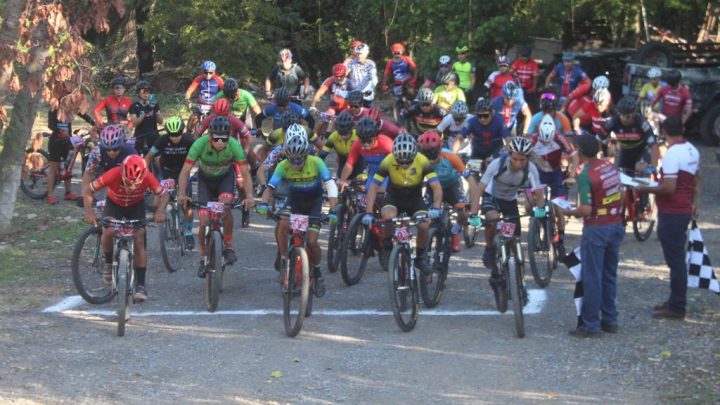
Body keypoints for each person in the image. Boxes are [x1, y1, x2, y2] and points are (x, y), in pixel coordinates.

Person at [257, 125, 338, 297]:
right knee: (283, 224)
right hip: (294, 202)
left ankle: (316, 271)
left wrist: (333, 209)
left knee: (312, 241)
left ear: (306, 154)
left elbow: (330, 185)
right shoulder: (283, 165)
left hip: (314, 204)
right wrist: (263, 203)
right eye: (292, 159)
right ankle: (285, 259)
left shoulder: (317, 162)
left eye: (299, 160)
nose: (295, 164)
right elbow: (270, 187)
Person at [634, 117, 700, 320]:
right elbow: (696, 180)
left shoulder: (673, 154)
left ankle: (677, 306)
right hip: (683, 208)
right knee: (677, 258)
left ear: (664, 131)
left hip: (672, 212)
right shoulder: (692, 149)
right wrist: (695, 203)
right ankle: (674, 300)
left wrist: (643, 188)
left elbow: (669, 188)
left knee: (676, 261)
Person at [560, 134, 624, 337]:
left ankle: (591, 324)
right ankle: (610, 319)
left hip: (596, 227)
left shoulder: (586, 175)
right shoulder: (609, 166)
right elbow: (621, 194)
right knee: (608, 274)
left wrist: (569, 212)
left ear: (579, 151)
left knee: (592, 276)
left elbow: (586, 209)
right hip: (616, 224)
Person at [82, 155, 169, 302]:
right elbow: (88, 190)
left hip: (136, 206)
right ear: (122, 173)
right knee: (108, 230)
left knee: (139, 237)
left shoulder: (148, 176)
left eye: (135, 184)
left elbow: (164, 194)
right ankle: (109, 263)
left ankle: (140, 285)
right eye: (127, 183)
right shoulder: (113, 174)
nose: (130, 187)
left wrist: (160, 211)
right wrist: (89, 212)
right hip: (114, 205)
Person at [177, 116, 255, 278]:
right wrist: (182, 194)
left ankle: (228, 246)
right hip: (204, 180)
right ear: (210, 135)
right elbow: (185, 172)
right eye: (216, 138)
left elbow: (246, 174)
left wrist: (248, 195)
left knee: (226, 207)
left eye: (224, 138)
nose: (220, 142)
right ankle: (203, 258)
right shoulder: (199, 144)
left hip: (225, 179)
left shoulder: (234, 145)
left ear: (229, 136)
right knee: (204, 220)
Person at [467, 137, 545, 294]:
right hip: (492, 196)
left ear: (528, 159)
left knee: (514, 241)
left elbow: (539, 193)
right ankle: (489, 249)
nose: (518, 164)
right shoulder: (497, 164)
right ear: (509, 155)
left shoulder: (531, 169)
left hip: (510, 200)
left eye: (522, 160)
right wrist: (474, 215)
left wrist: (540, 211)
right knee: (493, 220)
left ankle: (519, 281)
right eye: (515, 159)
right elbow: (478, 190)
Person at [364, 133, 442, 274]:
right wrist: (369, 212)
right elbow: (374, 187)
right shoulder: (388, 161)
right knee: (388, 218)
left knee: (424, 226)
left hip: (415, 200)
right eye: (401, 162)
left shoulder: (422, 160)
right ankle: (387, 244)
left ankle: (420, 257)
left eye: (408, 161)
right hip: (394, 198)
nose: (405, 165)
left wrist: (436, 206)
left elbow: (436, 186)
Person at [528, 116, 579, 255]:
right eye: (543, 140)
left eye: (548, 140)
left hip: (556, 175)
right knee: (530, 204)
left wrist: (572, 175)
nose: (545, 143)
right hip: (538, 174)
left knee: (559, 210)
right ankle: (538, 223)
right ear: (538, 133)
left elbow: (575, 157)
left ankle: (560, 240)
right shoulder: (532, 139)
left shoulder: (559, 137)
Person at [144, 116, 196, 249]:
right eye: (171, 135)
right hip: (166, 172)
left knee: (187, 204)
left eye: (178, 134)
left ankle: (189, 232)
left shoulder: (189, 140)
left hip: (183, 172)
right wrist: (147, 176)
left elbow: (200, 155)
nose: (175, 137)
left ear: (182, 132)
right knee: (157, 203)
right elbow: (148, 157)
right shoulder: (162, 140)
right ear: (167, 134)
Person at [417, 130, 467, 252]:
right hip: (432, 188)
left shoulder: (450, 156)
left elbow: (468, 177)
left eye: (433, 154)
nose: (430, 159)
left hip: (452, 186)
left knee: (463, 212)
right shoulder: (418, 160)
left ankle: (455, 231)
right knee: (425, 217)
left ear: (440, 149)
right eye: (426, 155)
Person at [46, 108, 96, 204]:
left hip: (68, 142)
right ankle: (50, 195)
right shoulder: (54, 107)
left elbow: (82, 114)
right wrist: (59, 131)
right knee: (53, 168)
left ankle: (68, 193)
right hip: (56, 141)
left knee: (68, 167)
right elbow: (50, 124)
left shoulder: (70, 106)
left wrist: (94, 123)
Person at [604, 97, 658, 176]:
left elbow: (654, 144)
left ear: (634, 114)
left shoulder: (641, 122)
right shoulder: (613, 121)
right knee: (617, 173)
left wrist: (654, 166)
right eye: (621, 115)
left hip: (641, 151)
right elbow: (599, 138)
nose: (624, 119)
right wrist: (601, 155)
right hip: (625, 151)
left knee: (639, 168)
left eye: (627, 116)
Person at [337, 117, 394, 191]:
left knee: (380, 193)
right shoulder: (357, 145)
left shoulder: (386, 144)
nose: (366, 144)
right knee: (366, 195)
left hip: (389, 172)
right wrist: (343, 180)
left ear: (375, 137)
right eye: (363, 141)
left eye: (369, 141)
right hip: (373, 173)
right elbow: (349, 164)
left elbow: (397, 164)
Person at [82, 125, 138, 196]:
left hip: (125, 177)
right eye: (107, 149)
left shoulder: (130, 152)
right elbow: (88, 173)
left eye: (115, 149)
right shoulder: (97, 151)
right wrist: (84, 195)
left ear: (121, 145)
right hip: (106, 174)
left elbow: (137, 177)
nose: (111, 152)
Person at [453, 98, 508, 164]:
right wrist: (453, 154)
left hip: (495, 152)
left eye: (485, 116)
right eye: (479, 116)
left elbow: (508, 139)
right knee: (472, 172)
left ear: (492, 113)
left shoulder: (499, 122)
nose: (482, 119)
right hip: (477, 153)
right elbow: (459, 137)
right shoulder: (472, 122)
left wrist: (506, 153)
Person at [309, 63, 352, 137]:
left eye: (341, 76)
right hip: (333, 107)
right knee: (322, 122)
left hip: (346, 109)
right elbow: (319, 93)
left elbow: (355, 98)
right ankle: (314, 141)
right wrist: (313, 106)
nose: (338, 78)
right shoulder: (330, 80)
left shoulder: (350, 83)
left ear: (345, 74)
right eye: (336, 76)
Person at [319, 111, 362, 179]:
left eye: (346, 133)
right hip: (343, 160)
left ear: (352, 129)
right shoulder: (333, 136)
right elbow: (322, 155)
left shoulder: (358, 135)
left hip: (359, 161)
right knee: (340, 180)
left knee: (361, 180)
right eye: (340, 133)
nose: (343, 136)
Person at [184, 60, 224, 132]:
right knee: (193, 120)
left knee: (217, 123)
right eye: (206, 72)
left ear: (214, 72)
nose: (208, 75)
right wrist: (187, 100)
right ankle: (188, 135)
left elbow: (224, 92)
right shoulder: (198, 79)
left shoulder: (218, 80)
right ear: (202, 71)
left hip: (214, 105)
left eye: (210, 73)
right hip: (200, 105)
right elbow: (189, 91)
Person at [129, 80, 162, 155]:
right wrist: (145, 112)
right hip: (140, 137)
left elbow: (160, 122)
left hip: (154, 135)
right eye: (143, 91)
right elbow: (135, 123)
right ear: (138, 93)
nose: (146, 93)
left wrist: (157, 112)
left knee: (158, 157)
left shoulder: (154, 104)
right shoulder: (134, 106)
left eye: (148, 91)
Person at [511, 45, 540, 112]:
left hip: (529, 89)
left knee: (528, 105)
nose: (524, 58)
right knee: (516, 103)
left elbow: (535, 76)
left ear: (529, 56)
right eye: (522, 57)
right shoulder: (517, 62)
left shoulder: (534, 64)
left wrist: (534, 87)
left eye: (526, 57)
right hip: (518, 87)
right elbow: (511, 72)